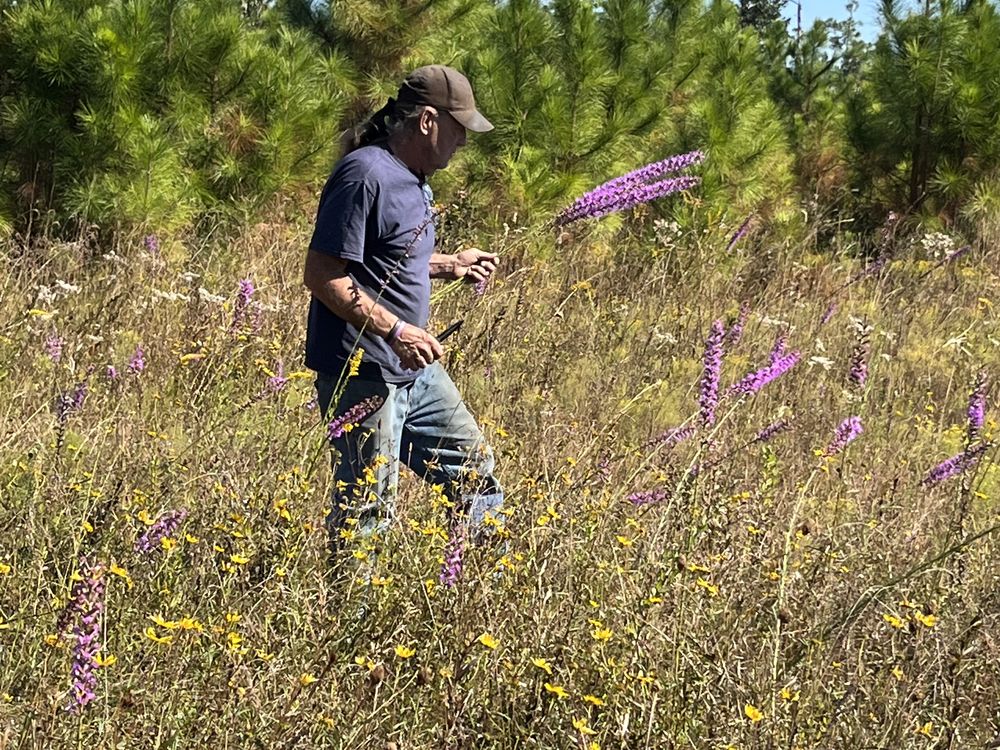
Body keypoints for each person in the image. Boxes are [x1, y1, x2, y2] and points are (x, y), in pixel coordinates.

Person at [303, 65, 503, 558]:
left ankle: (481, 594)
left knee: (475, 473)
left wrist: (449, 263)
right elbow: (323, 273)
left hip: (413, 373)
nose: (463, 142)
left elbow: (385, 256)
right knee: (366, 514)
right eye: (459, 129)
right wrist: (396, 331)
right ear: (428, 121)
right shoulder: (365, 174)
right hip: (364, 374)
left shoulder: (411, 179)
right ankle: (353, 630)